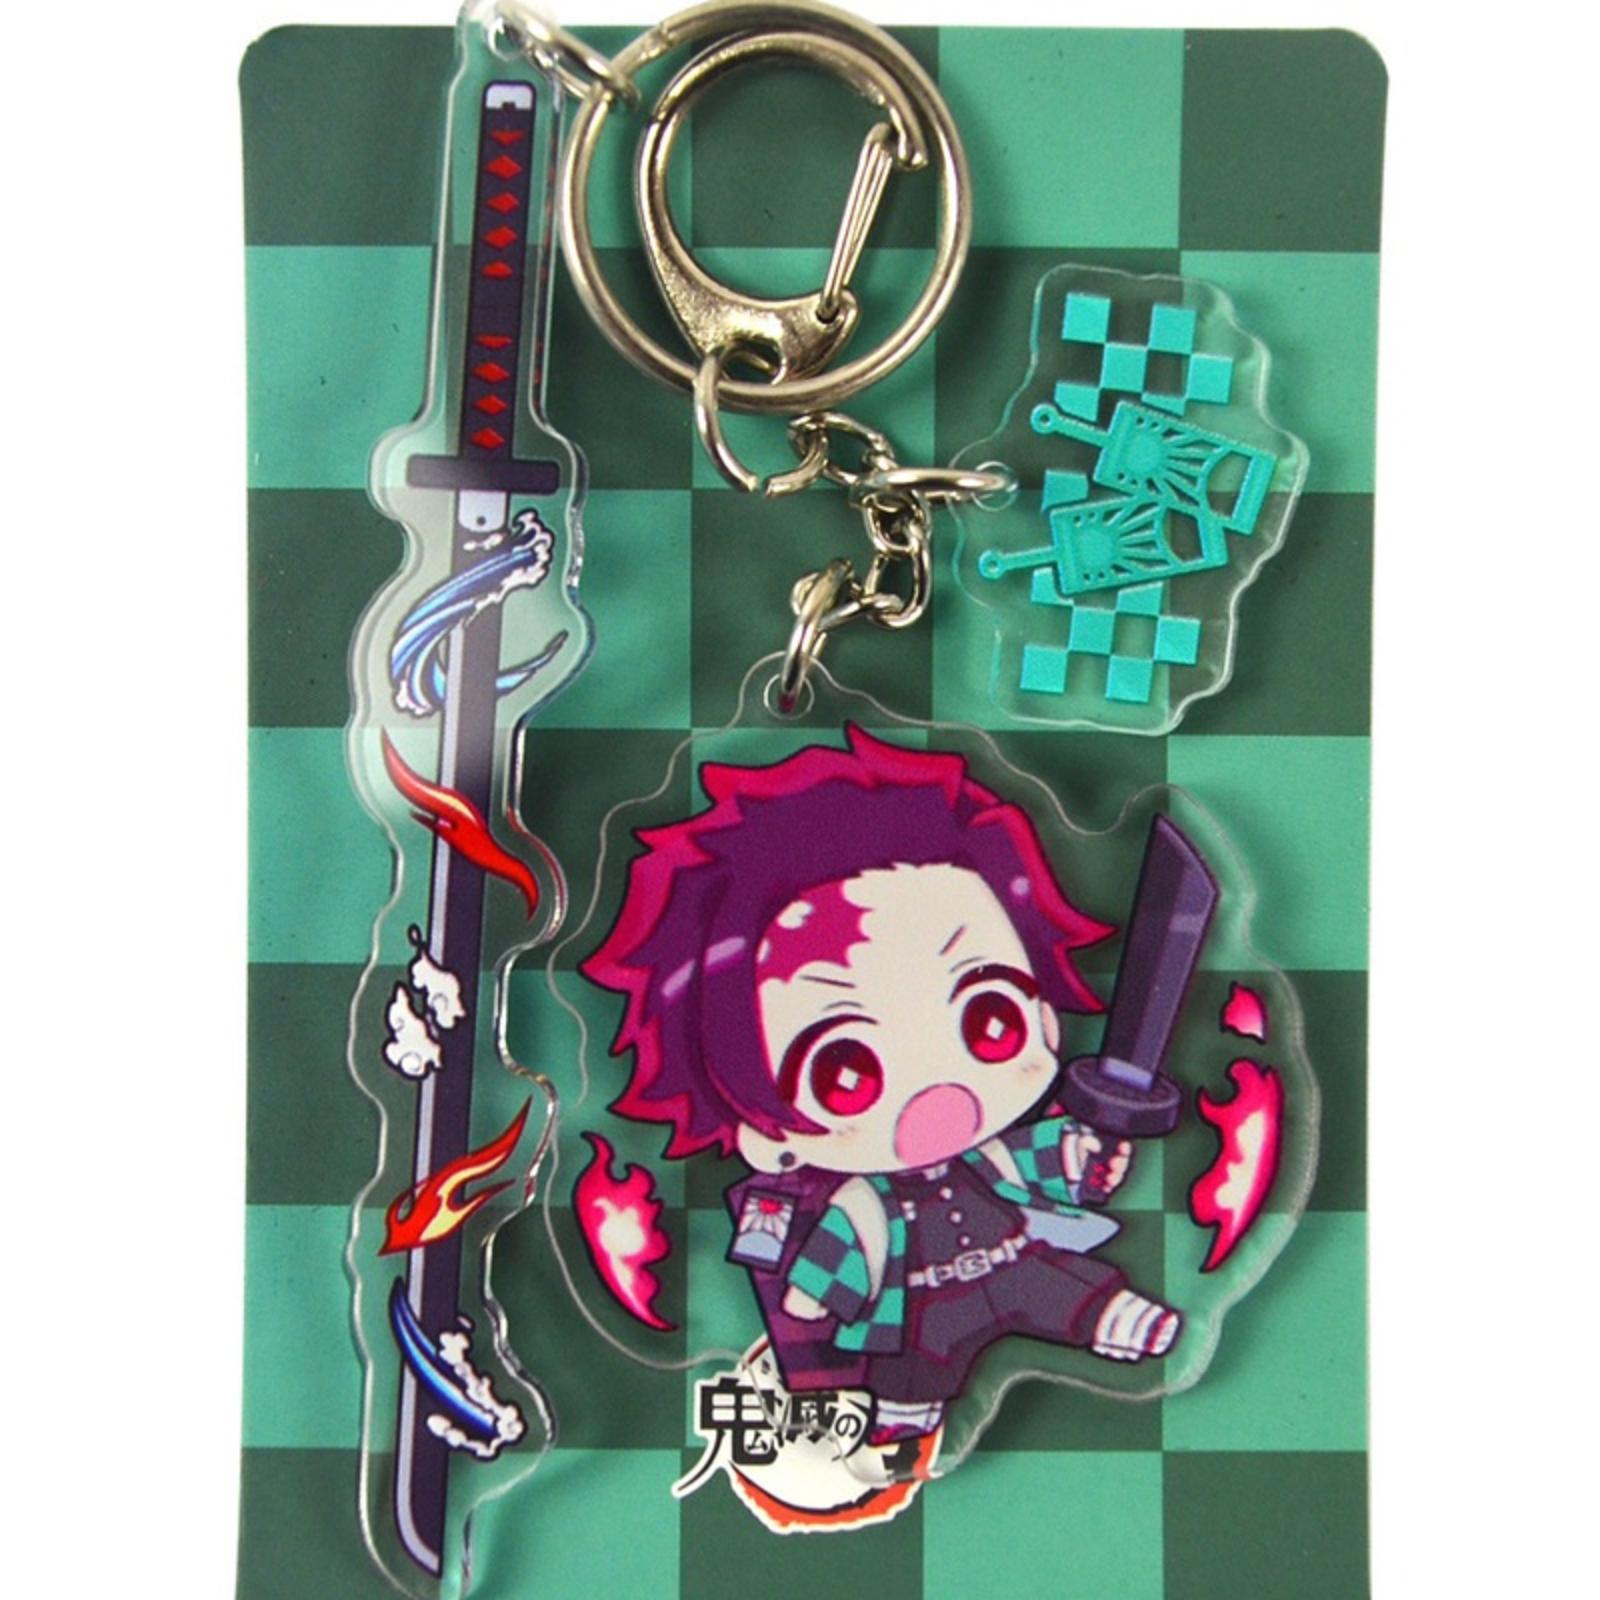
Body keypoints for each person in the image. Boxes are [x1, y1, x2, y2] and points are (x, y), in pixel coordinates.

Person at [584, 725, 1180, 1445]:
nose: (939, 1093)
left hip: (1018, 1258)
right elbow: (843, 1247)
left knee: (1059, 1285)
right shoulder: (864, 1201)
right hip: (924, 1304)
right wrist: (809, 1301)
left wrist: (1084, 1156)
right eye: (846, 1074)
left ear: (1043, 1012)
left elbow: (1040, 1159)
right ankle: (903, 1415)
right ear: (764, 1131)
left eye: (990, 1020)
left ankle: (1110, 1318)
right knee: (916, 1361)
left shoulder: (993, 1158)